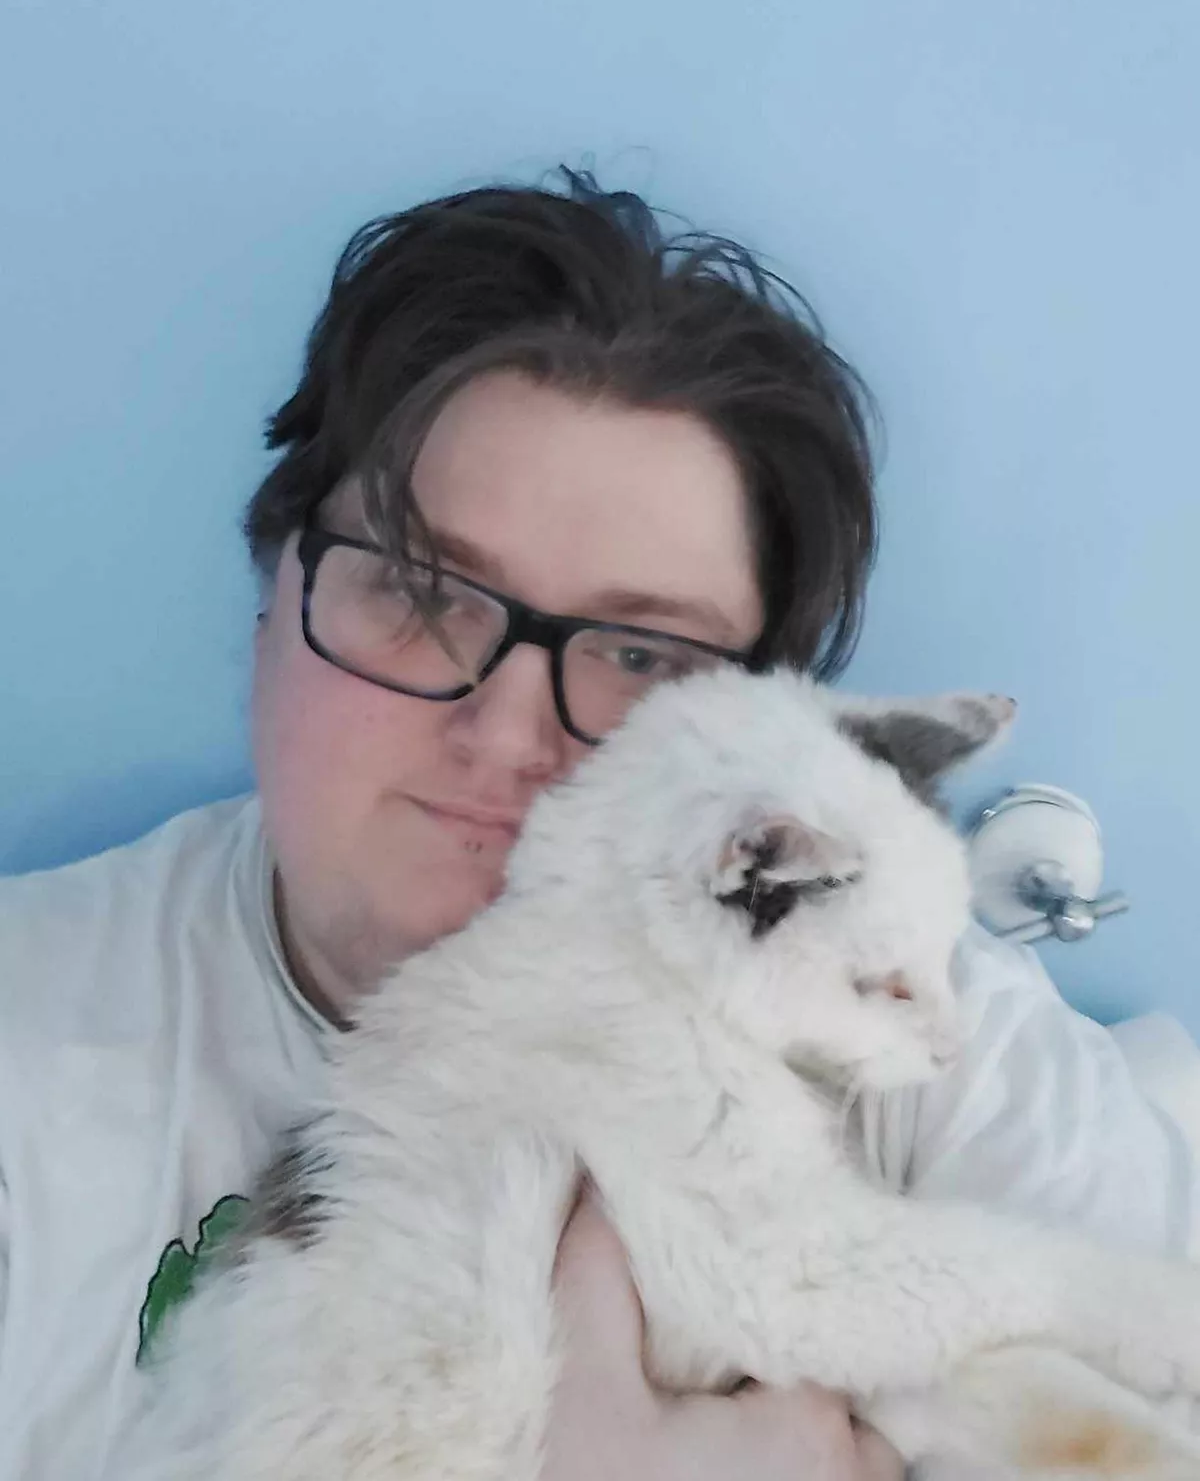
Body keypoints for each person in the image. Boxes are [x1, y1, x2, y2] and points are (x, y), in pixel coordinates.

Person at [0, 170, 1192, 1481]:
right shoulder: (29, 1040)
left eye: (639, 655)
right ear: (272, 583)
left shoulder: (966, 1061)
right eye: (421, 592)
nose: (509, 732)